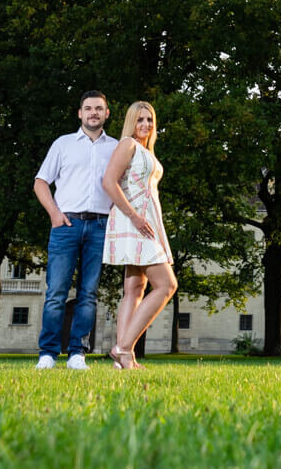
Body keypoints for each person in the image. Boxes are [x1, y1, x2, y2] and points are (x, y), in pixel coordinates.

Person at [32, 90, 120, 370]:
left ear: (106, 114)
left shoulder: (117, 147)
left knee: (88, 293)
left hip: (100, 225)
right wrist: (55, 214)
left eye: (99, 108)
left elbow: (123, 188)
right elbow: (41, 182)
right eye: (88, 108)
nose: (93, 112)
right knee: (56, 291)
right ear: (79, 113)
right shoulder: (63, 144)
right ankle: (47, 353)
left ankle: (77, 354)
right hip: (66, 225)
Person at [101, 100, 177, 370]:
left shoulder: (147, 152)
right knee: (167, 285)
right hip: (134, 222)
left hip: (147, 222)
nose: (145, 124)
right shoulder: (128, 144)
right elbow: (109, 181)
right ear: (131, 121)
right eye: (140, 119)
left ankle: (125, 359)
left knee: (134, 289)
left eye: (149, 120)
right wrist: (134, 216)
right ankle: (123, 347)